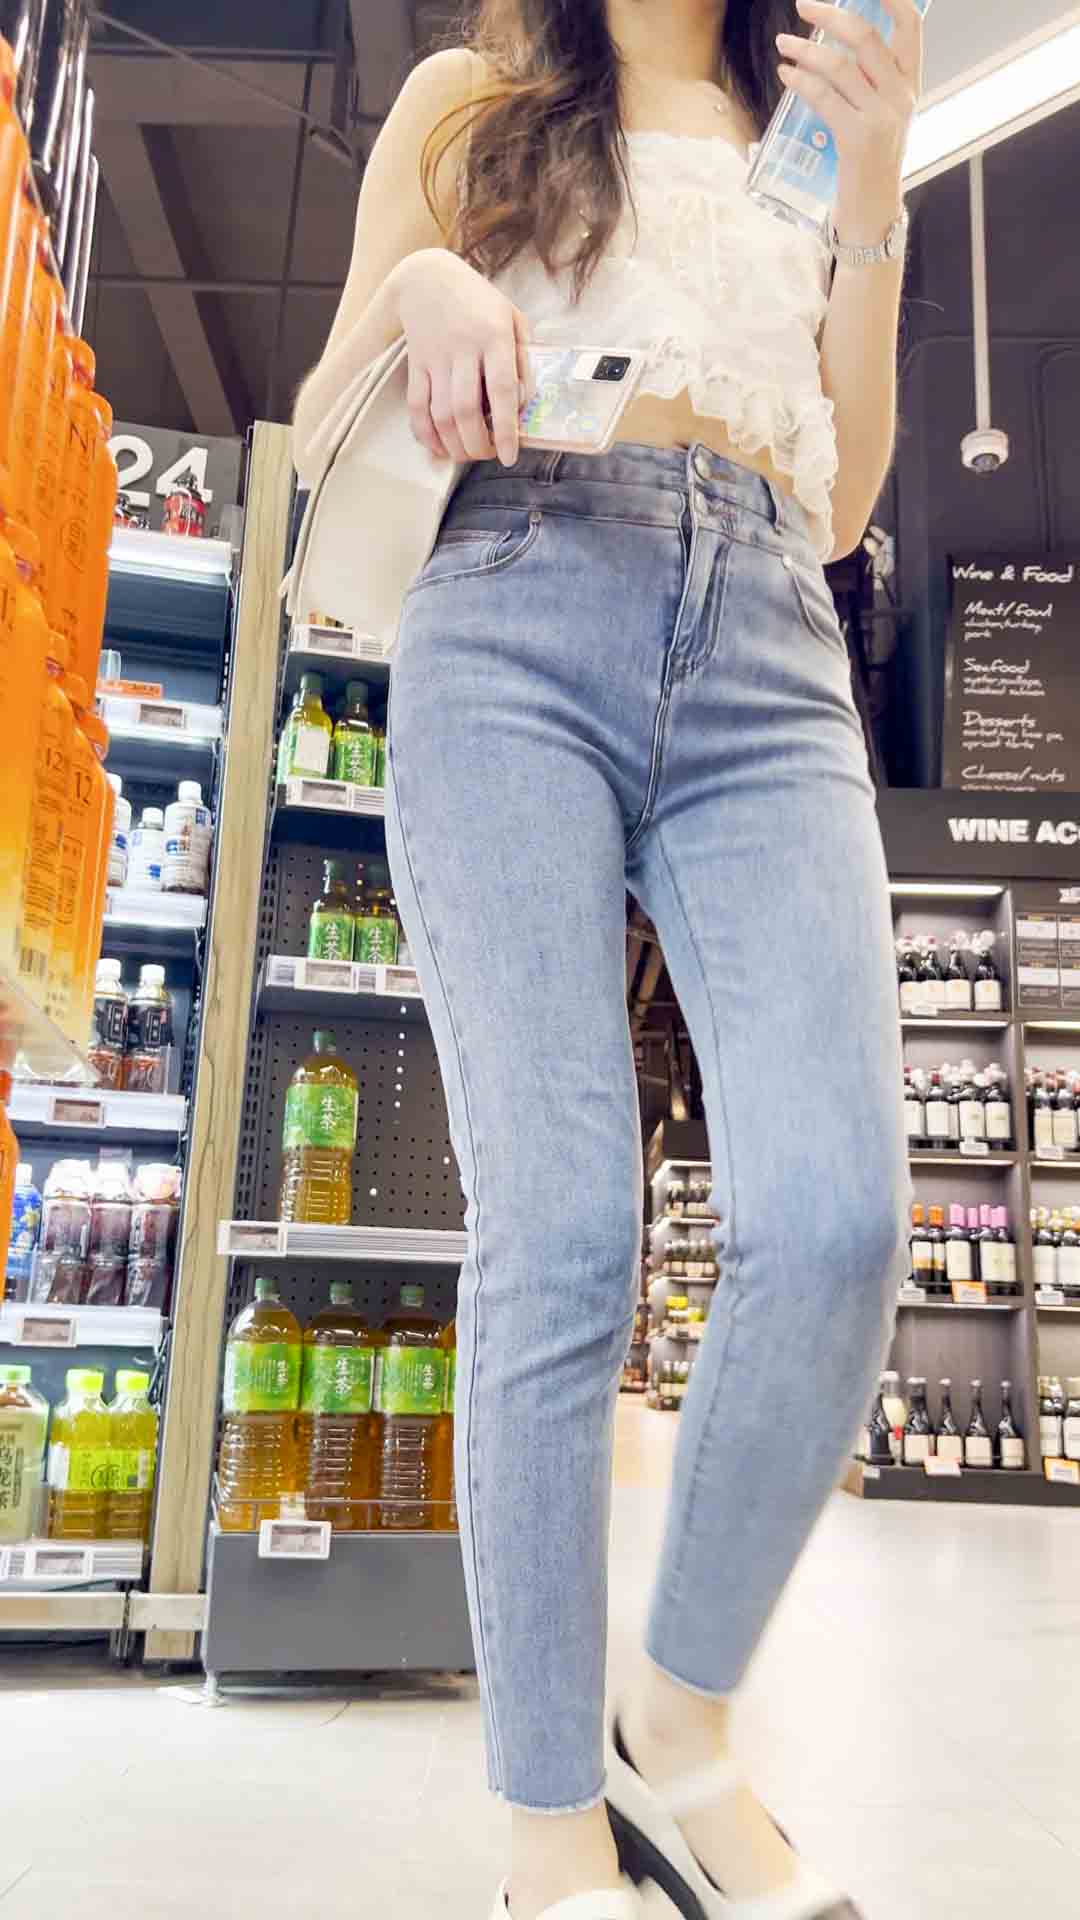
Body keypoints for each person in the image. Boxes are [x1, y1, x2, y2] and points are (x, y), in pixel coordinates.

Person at [294, 2, 922, 1915]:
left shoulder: (808, 122)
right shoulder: (471, 99)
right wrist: (423, 284)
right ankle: (550, 1818)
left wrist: (880, 191)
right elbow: (322, 412)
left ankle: (678, 1719)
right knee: (563, 1230)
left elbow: (848, 492)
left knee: (837, 1217)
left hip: (769, 638)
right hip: (514, 604)